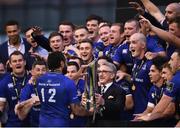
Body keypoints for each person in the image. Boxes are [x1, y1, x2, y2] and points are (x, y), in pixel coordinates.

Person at [36, 51, 92, 127]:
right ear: (62, 63)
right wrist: (91, 112)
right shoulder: (68, 82)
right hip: (60, 124)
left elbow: (55, 84)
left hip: (43, 123)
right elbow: (77, 110)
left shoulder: (40, 80)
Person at [137, 50, 180, 127]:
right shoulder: (155, 88)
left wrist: (149, 116)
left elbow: (165, 101)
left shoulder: (175, 80)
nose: (169, 62)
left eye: (172, 59)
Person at [82, 61, 125, 126]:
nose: (100, 74)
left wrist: (103, 102)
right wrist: (84, 103)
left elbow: (119, 108)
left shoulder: (119, 91)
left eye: (104, 72)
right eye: (99, 72)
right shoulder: (93, 89)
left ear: (112, 75)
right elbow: (88, 110)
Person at [0, 51, 30, 126]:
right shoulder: (4, 82)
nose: (18, 63)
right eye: (14, 61)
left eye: (20, 60)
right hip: (13, 123)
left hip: (32, 123)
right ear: (10, 64)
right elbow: (1, 106)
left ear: (25, 62)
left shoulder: (33, 79)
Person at [15, 59, 47, 127]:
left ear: (47, 72)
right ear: (32, 72)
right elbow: (21, 116)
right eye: (38, 70)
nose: (41, 72)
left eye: (43, 70)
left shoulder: (54, 86)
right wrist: (31, 102)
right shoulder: (27, 88)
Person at [129, 33, 153, 114]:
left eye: (134, 42)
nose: (130, 46)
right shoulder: (135, 62)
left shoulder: (150, 64)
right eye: (130, 43)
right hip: (135, 111)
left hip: (146, 113)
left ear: (143, 45)